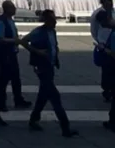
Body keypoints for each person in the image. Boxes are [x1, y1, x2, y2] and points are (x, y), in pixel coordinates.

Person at [19, 9, 78, 137]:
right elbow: (23, 41)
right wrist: (37, 51)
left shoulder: (53, 32)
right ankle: (65, 127)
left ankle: (34, 119)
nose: (55, 21)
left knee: (43, 95)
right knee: (55, 97)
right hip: (41, 67)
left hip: (49, 66)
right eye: (52, 19)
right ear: (46, 21)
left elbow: (53, 45)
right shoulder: (39, 32)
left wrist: (55, 50)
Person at [0, 0, 31, 110]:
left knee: (16, 79)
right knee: (4, 79)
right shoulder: (1, 21)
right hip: (5, 54)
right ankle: (1, 102)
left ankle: (18, 99)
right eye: (13, 8)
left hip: (12, 53)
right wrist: (14, 41)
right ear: (7, 9)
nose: (15, 9)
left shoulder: (10, 20)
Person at [91, 0, 114, 102]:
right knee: (107, 69)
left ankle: (109, 89)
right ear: (103, 1)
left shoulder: (111, 12)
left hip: (112, 44)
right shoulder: (100, 13)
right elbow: (108, 24)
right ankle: (107, 90)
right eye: (108, 0)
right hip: (104, 45)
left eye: (112, 0)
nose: (111, 2)